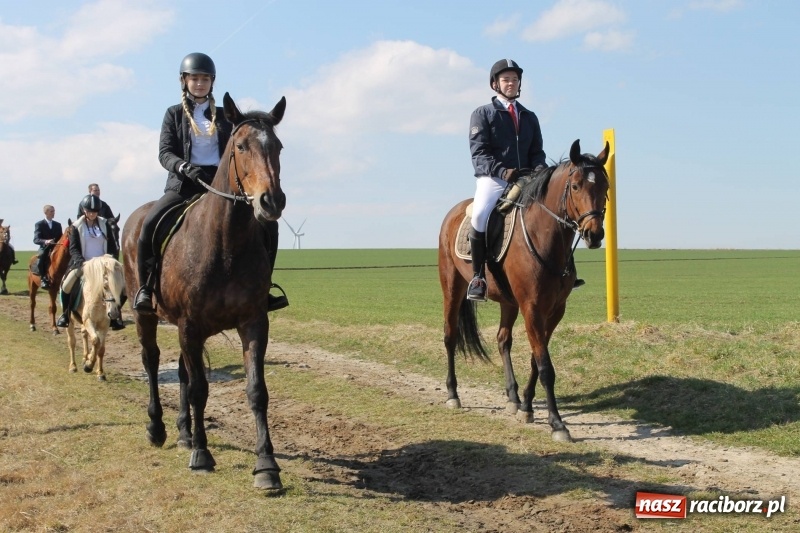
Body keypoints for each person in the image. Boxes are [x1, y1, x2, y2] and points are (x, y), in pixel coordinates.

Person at [132, 52, 288, 315]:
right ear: (185, 81)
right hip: (183, 184)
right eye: (194, 78)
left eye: (205, 78)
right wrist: (184, 167)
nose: (200, 83)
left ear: (212, 82)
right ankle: (146, 288)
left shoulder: (225, 116)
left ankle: (264, 288)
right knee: (149, 225)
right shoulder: (173, 114)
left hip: (221, 185)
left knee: (267, 226)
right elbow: (165, 152)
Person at [56, 194, 125, 330]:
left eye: (94, 211)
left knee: (125, 286)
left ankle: (115, 315)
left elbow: (112, 245)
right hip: (84, 264)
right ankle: (66, 314)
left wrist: (110, 259)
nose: (91, 214)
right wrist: (81, 262)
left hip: (104, 264)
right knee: (66, 285)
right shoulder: (76, 226)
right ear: (84, 211)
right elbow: (74, 248)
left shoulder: (105, 224)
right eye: (89, 211)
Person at [32, 205, 63, 288]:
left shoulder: (58, 225)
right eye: (51, 211)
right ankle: (43, 278)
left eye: (54, 211)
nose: (53, 213)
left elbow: (61, 237)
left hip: (56, 247)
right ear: (46, 212)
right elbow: (36, 239)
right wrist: (46, 241)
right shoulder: (39, 224)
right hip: (44, 247)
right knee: (40, 260)